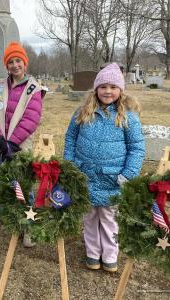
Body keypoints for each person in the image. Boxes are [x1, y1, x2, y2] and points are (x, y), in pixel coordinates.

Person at [63, 63, 145, 272]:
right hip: (85, 176)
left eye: (113, 87)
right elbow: (70, 138)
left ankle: (109, 255)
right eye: (103, 86)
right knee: (89, 217)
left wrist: (127, 174)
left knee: (109, 219)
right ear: (96, 89)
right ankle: (92, 253)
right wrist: (70, 166)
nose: (108, 91)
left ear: (120, 90)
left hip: (112, 179)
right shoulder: (83, 111)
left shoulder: (128, 116)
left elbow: (136, 148)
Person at [0, 42, 44, 251]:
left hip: (20, 148)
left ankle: (28, 227)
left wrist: (12, 143)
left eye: (18, 60)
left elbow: (31, 118)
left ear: (25, 62)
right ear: (7, 65)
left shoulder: (34, 88)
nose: (15, 65)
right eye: (11, 61)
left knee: (24, 188)